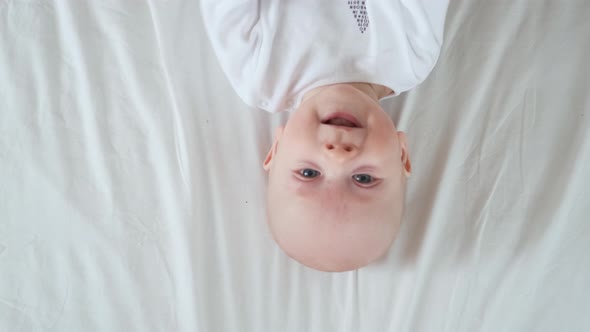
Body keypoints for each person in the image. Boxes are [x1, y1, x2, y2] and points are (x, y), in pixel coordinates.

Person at [201, 0, 449, 272]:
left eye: (308, 173)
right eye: (363, 179)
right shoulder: (413, 54)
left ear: (277, 148)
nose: (338, 157)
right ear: (402, 155)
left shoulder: (260, 77)